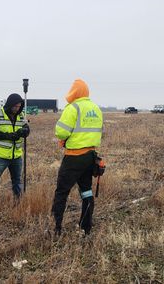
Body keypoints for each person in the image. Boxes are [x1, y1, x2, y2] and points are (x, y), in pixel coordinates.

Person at [52, 79, 103, 236]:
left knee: (62, 192)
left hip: (74, 157)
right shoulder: (96, 108)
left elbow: (61, 132)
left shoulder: (72, 108)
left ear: (74, 92)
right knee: (86, 191)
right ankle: (85, 227)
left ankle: (56, 228)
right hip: (90, 157)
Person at [0, 93, 30, 208]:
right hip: (0, 156)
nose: (17, 109)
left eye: (19, 106)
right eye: (15, 106)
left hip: (16, 156)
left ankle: (19, 204)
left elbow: (27, 130)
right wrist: (10, 136)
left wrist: (25, 132)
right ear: (10, 105)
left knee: (17, 182)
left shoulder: (21, 115)